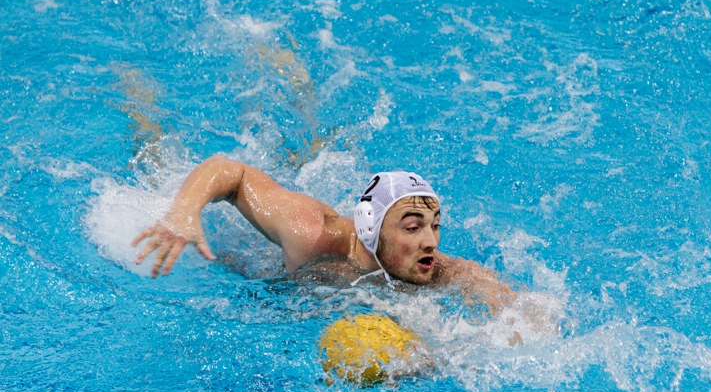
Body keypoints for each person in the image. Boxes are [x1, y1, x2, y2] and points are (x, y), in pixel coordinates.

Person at [131, 155, 516, 310]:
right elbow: (232, 172)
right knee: (154, 164)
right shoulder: (312, 231)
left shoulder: (428, 265)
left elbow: (514, 307)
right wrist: (182, 212)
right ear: (369, 226)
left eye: (434, 227)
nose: (430, 240)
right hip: (244, 255)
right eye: (413, 227)